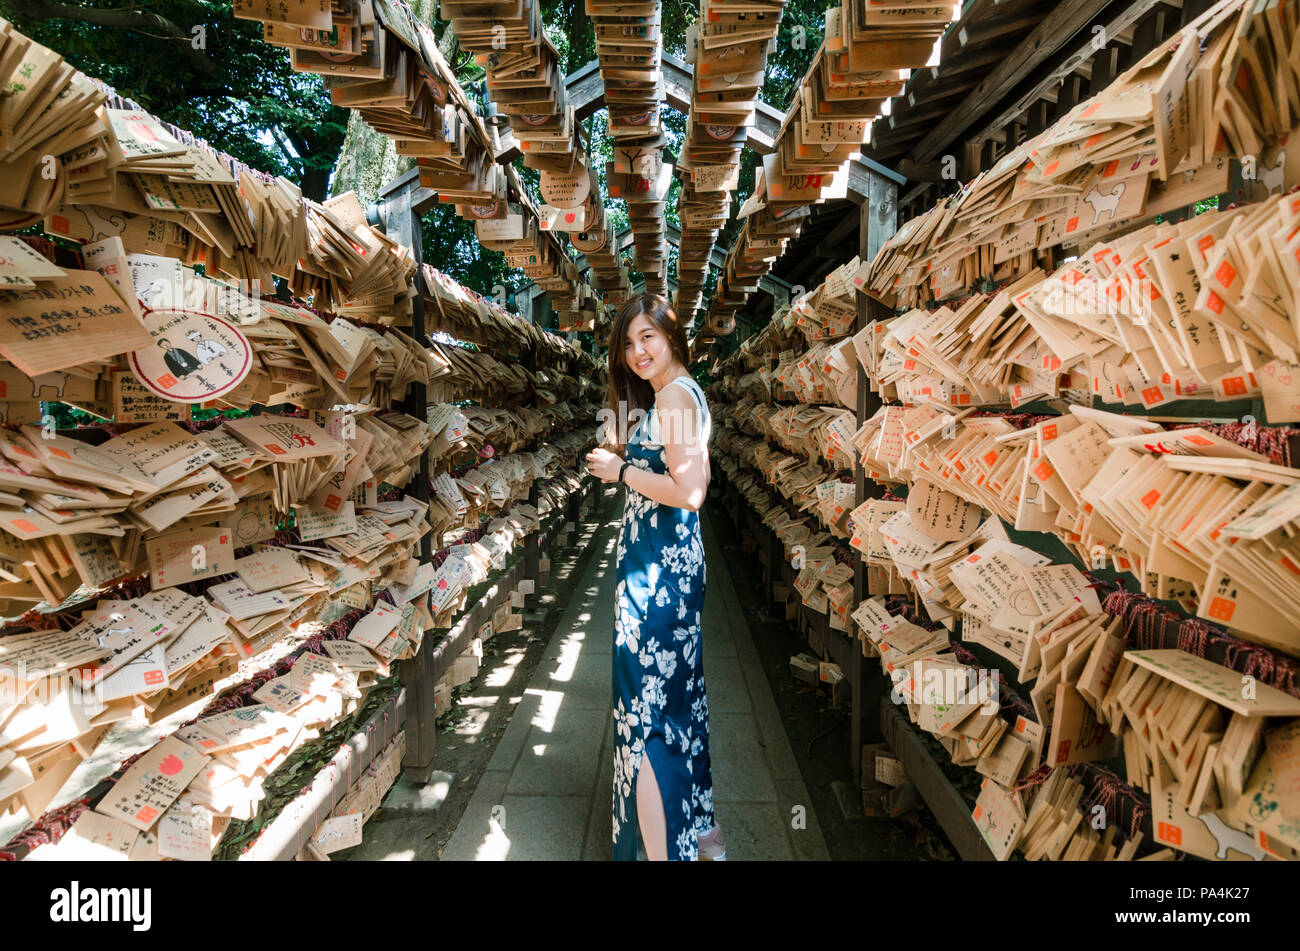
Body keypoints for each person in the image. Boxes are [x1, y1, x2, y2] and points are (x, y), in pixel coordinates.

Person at [585, 294, 725, 862]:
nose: (637, 351)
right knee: (676, 701)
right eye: (627, 342)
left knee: (644, 713)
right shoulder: (684, 392)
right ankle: (698, 836)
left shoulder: (672, 396)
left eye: (648, 337)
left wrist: (620, 469)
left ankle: (664, 854)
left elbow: (691, 492)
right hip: (670, 568)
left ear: (670, 334)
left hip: (656, 577)